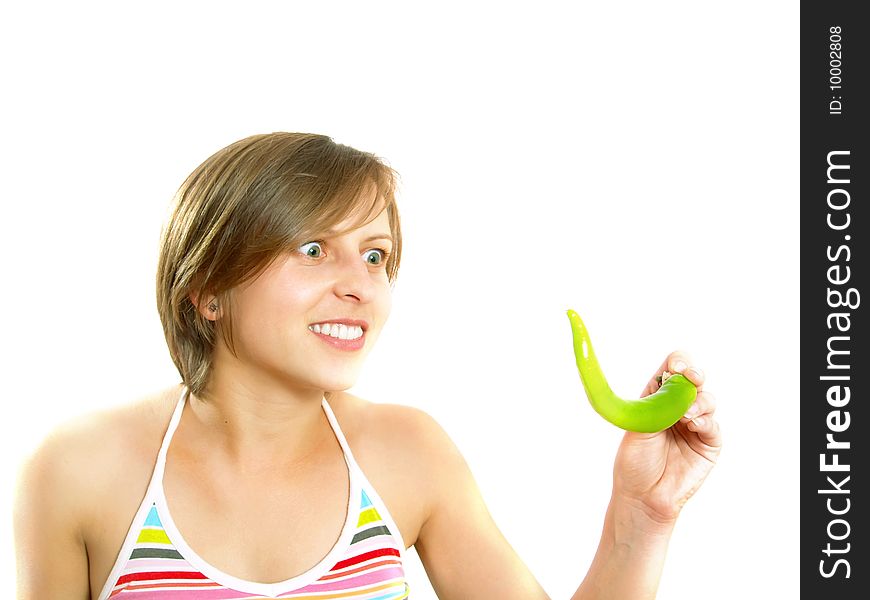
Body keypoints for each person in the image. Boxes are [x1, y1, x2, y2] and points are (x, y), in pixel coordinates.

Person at [13, 132, 722, 599]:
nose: (360, 284)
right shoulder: (80, 468)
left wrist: (643, 513)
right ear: (206, 290)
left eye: (376, 254)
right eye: (314, 249)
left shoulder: (407, 453)